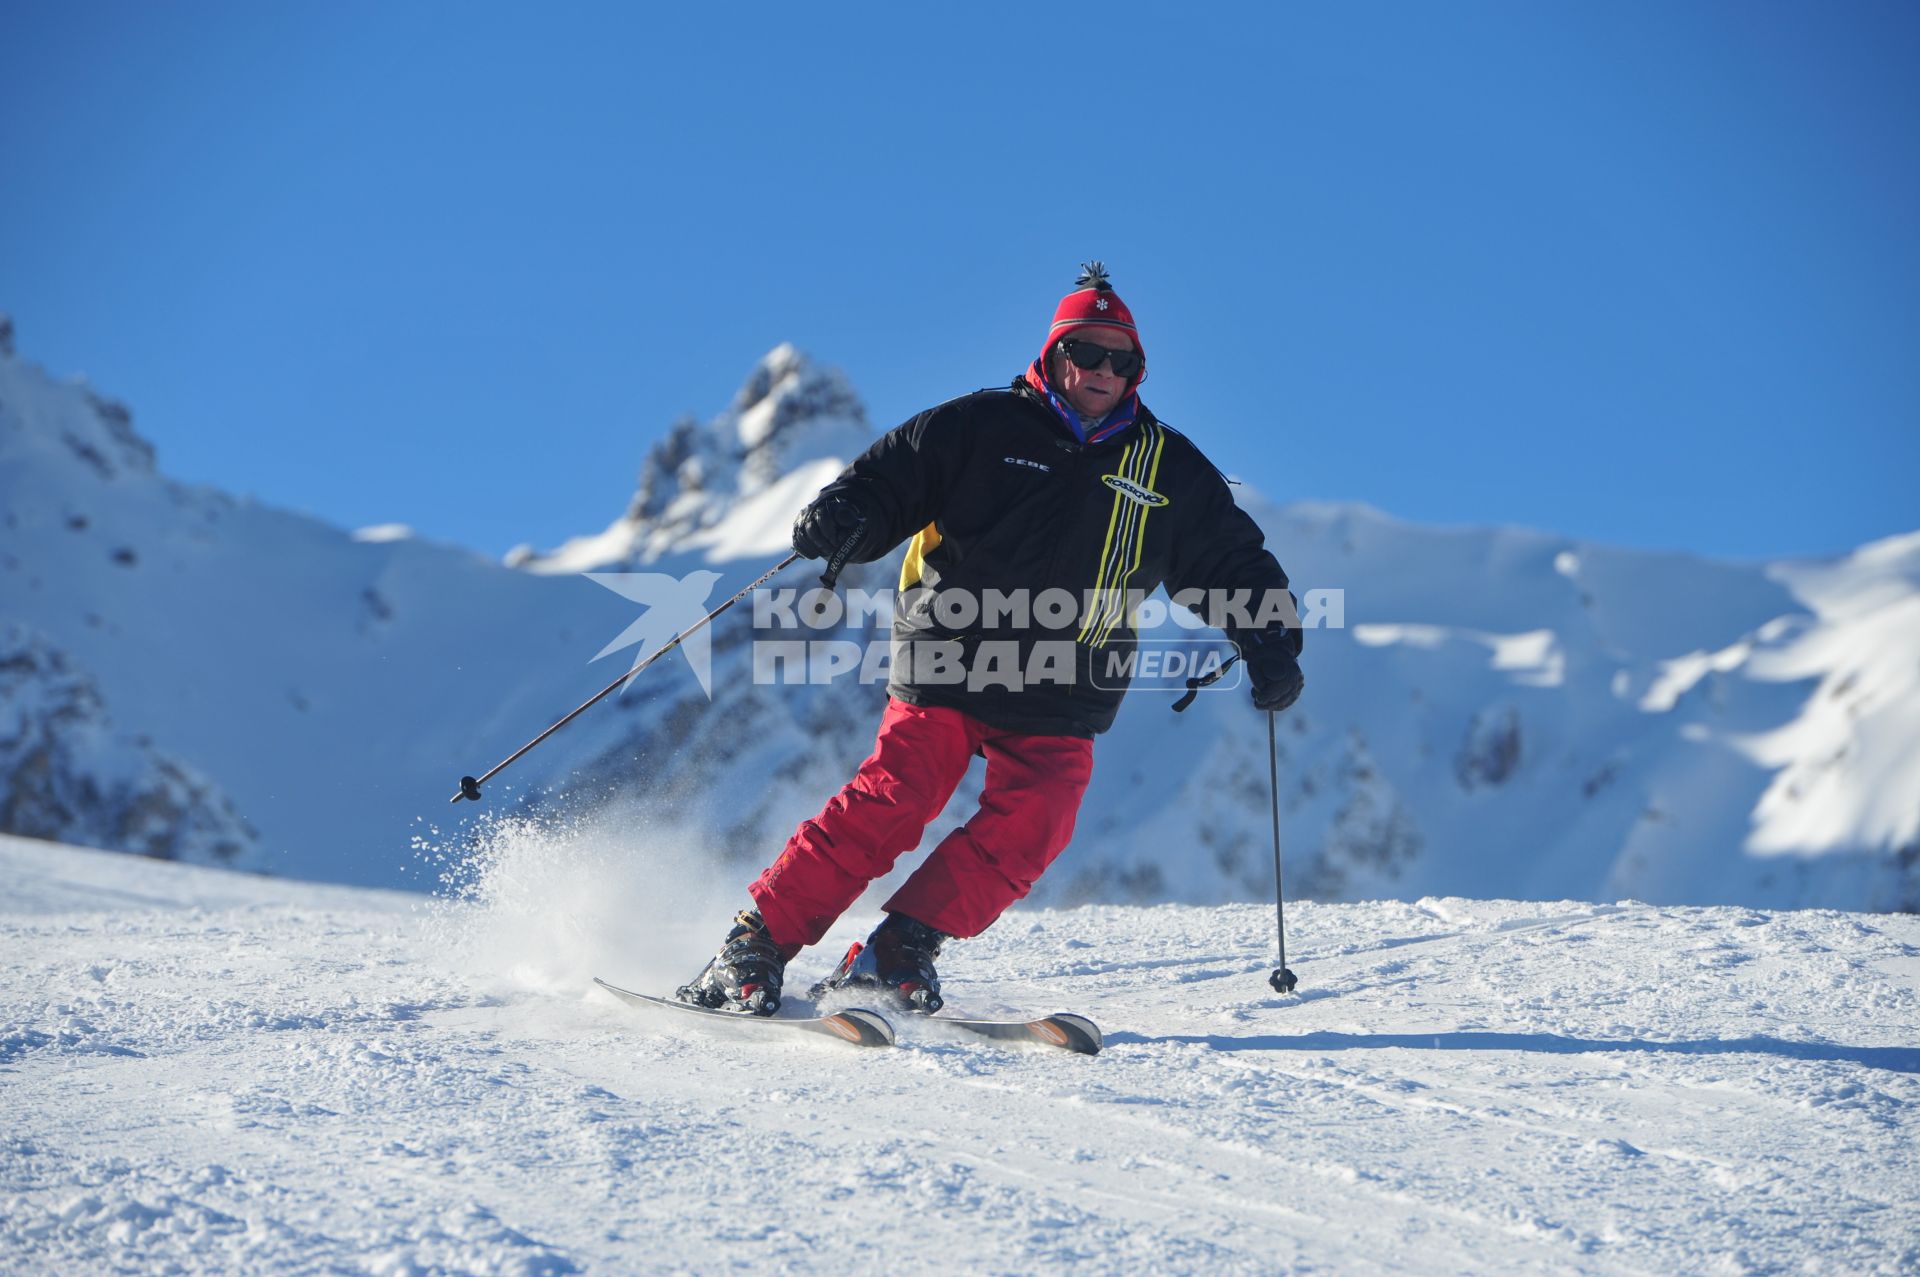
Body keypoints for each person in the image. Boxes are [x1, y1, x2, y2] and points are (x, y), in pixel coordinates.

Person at [675, 263, 1305, 1016]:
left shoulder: (1167, 468)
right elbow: (890, 480)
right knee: (899, 797)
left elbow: (1229, 558)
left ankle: (898, 948)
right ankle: (756, 941)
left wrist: (1268, 634)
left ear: (1139, 370)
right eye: (1087, 351)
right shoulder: (980, 426)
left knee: (1037, 818)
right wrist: (847, 513)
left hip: (1068, 677)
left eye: (1122, 359)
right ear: (1055, 353)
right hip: (952, 650)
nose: (1103, 371)